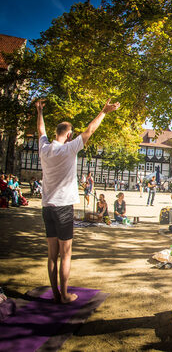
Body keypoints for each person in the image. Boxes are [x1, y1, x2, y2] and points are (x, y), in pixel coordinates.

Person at [36, 97, 120, 303]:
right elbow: (90, 130)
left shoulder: (44, 147)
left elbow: (40, 131)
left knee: (51, 254)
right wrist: (104, 112)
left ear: (55, 134)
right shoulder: (69, 149)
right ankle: (64, 295)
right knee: (66, 254)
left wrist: (39, 111)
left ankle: (55, 292)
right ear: (70, 134)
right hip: (63, 208)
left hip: (47, 207)